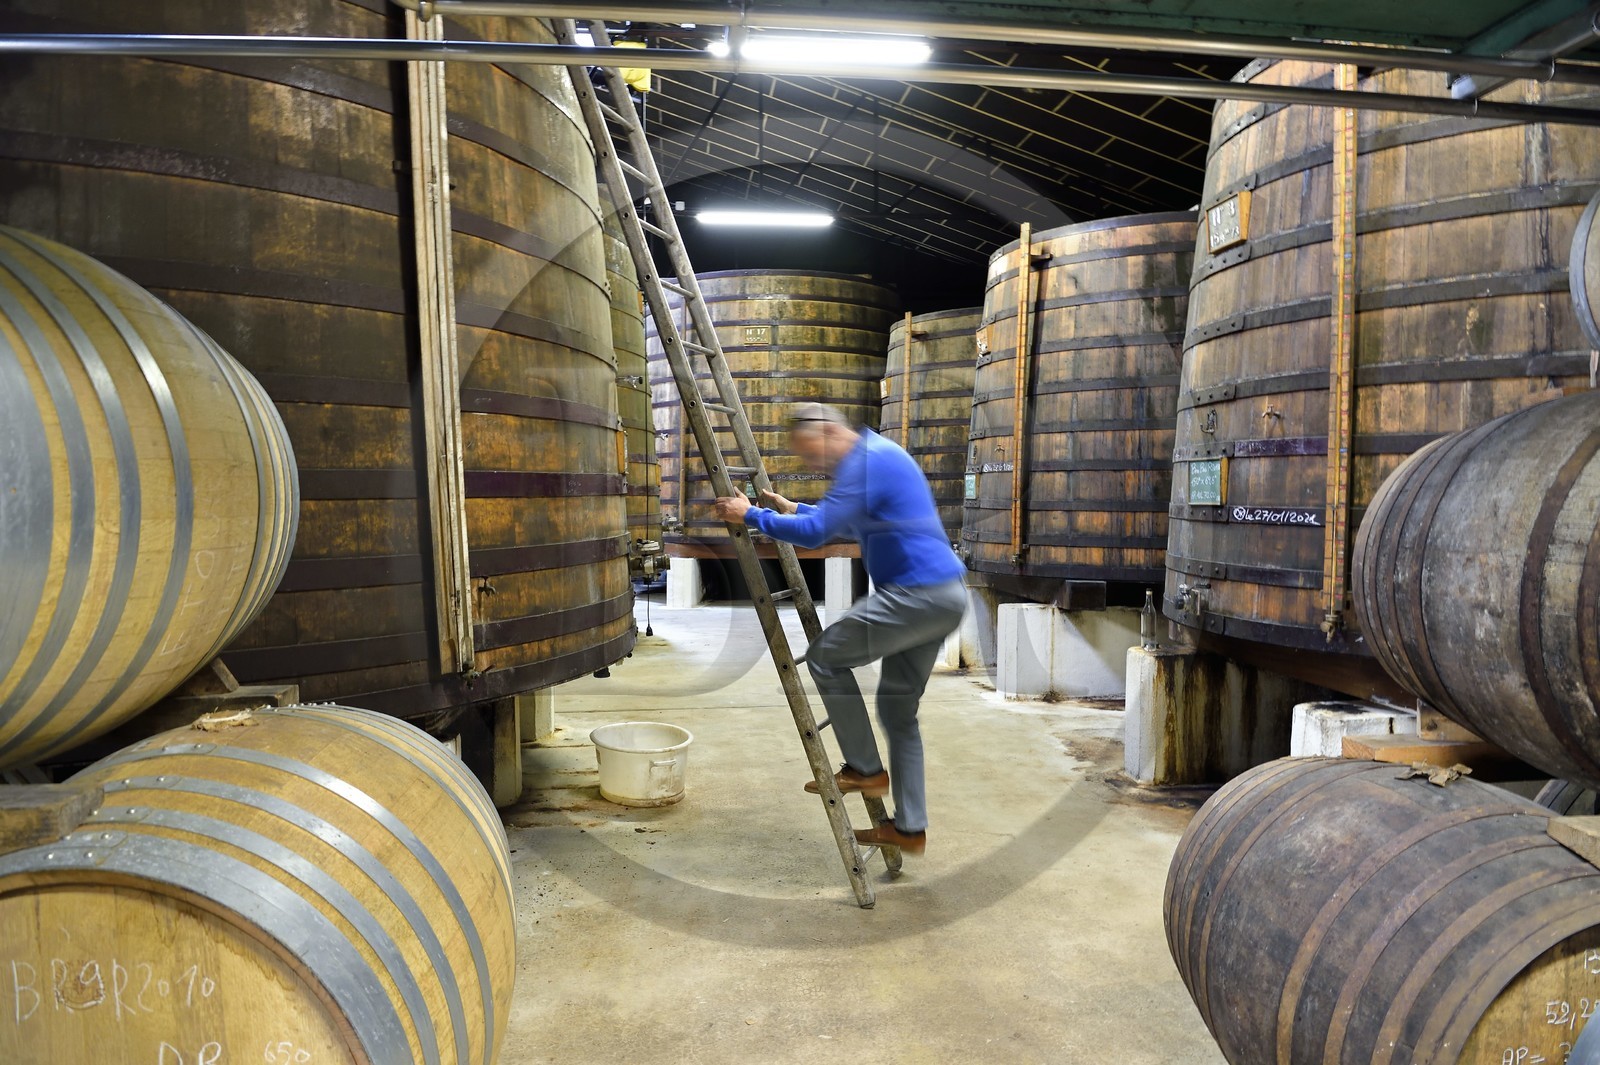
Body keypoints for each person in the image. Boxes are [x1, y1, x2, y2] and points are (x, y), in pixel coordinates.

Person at [711, 403, 967, 855]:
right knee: (898, 714)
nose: (813, 464)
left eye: (812, 453)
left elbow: (816, 534)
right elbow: (842, 518)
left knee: (826, 659)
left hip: (915, 595)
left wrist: (748, 516)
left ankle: (866, 769)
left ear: (829, 431)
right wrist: (795, 508)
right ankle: (909, 829)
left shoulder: (864, 464)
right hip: (944, 596)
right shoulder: (878, 455)